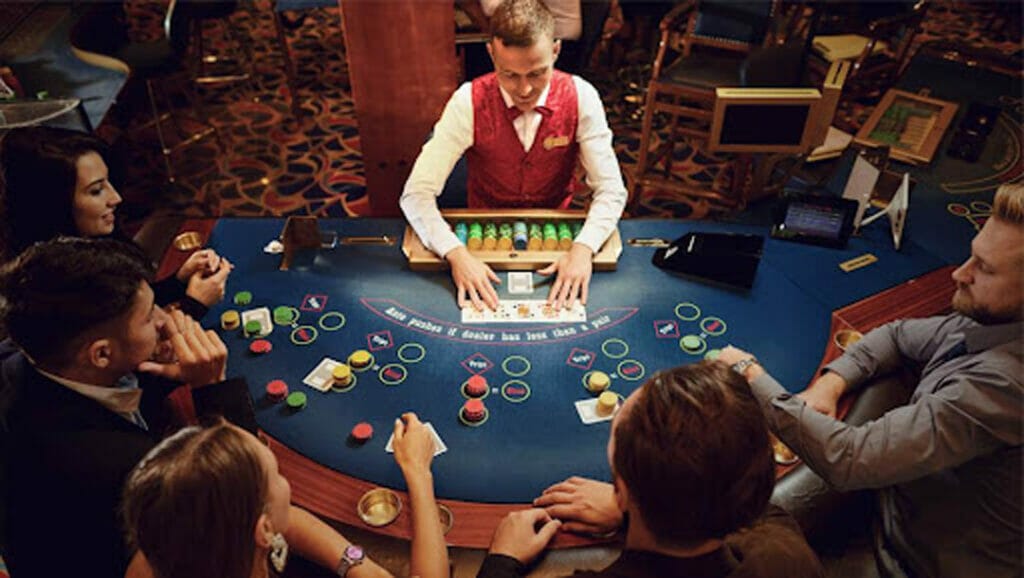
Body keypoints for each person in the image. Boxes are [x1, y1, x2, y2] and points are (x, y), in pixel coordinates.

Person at [718, 183, 1024, 577]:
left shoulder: (1005, 383)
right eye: (972, 255)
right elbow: (897, 335)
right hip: (894, 509)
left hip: (912, 563)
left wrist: (747, 372)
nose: (959, 273)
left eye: (985, 268)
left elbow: (850, 459)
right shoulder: (995, 316)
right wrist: (830, 384)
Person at [0, 238, 244, 578]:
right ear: (101, 354)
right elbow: (241, 493)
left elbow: (115, 370)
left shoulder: (22, 353)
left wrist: (179, 293)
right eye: (149, 317)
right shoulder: (122, 463)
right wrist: (213, 387)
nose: (165, 317)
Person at [476, 361, 823, 577]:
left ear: (623, 490)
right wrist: (631, 512)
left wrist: (501, 563)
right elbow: (756, 513)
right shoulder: (786, 553)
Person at [401, 0, 627, 312]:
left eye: (537, 73)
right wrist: (456, 253)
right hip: (481, 241)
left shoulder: (582, 96)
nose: (523, 90)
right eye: (509, 74)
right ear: (491, 54)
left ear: (556, 51)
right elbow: (415, 195)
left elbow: (612, 189)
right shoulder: (468, 100)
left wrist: (583, 249)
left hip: (557, 242)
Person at [122, 412, 447, 578]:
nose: (283, 481)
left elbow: (284, 518)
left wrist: (355, 563)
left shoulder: (161, 547)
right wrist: (418, 472)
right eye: (276, 473)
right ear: (262, 530)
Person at [0, 126, 230, 318]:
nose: (116, 198)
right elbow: (128, 361)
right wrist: (194, 305)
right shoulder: (52, 288)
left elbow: (129, 302)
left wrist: (179, 280)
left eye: (108, 182)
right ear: (52, 205)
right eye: (96, 190)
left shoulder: (88, 245)